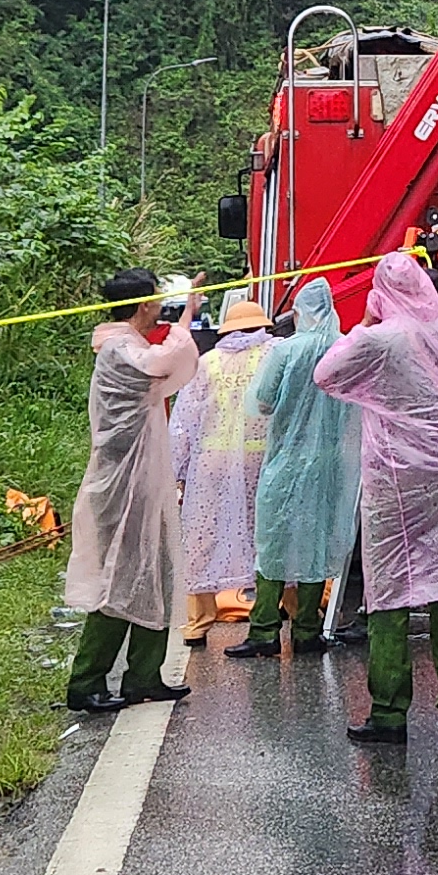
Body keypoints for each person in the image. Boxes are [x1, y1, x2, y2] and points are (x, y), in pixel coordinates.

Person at [316, 251, 438, 746]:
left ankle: (388, 711)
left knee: (389, 590)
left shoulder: (381, 341)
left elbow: (327, 373)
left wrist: (363, 322)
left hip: (399, 475)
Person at [64, 273, 195, 713]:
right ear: (144, 306)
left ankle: (144, 676)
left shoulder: (125, 344)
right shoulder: (120, 351)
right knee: (119, 582)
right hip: (121, 486)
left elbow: (163, 360)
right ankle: (86, 681)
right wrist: (186, 318)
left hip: (142, 481)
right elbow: (162, 363)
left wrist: (183, 317)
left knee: (156, 573)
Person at [233, 276, 355, 658]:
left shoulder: (285, 352)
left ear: (301, 311)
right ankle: (307, 630)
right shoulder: (346, 349)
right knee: (317, 541)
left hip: (286, 460)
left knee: (273, 542)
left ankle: (264, 629)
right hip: (330, 461)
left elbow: (264, 402)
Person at [171, 296, 275, 647]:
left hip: (211, 463)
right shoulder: (274, 356)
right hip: (262, 462)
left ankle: (199, 623)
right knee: (268, 538)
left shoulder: (207, 363)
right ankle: (277, 611)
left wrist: (179, 473)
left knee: (202, 538)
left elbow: (184, 423)